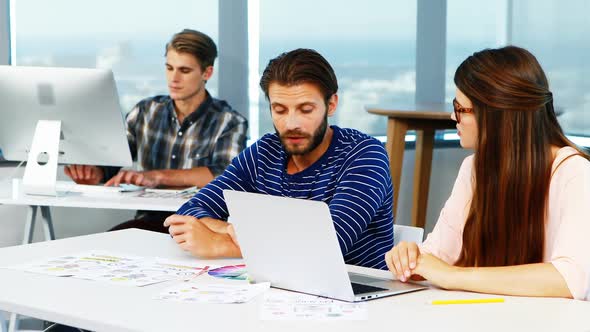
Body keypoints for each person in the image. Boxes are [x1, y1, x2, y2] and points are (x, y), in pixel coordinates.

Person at [385, 46, 590, 300]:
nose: (453, 116)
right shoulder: (473, 168)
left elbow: (569, 280)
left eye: (461, 108)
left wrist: (452, 276)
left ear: (496, 114)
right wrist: (411, 260)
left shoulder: (574, 172)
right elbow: (437, 256)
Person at [165, 48, 394, 269]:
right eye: (280, 110)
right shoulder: (265, 152)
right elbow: (191, 210)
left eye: (305, 110)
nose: (291, 123)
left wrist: (222, 243)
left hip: (358, 294)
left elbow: (326, 247)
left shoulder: (365, 155)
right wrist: (232, 230)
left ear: (331, 104)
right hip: (282, 291)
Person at [64, 29, 248, 233]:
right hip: (149, 222)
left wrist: (157, 176)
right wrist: (95, 173)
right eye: (169, 68)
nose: (174, 78)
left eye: (184, 71)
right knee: (106, 244)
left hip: (201, 226)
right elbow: (115, 160)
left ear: (207, 73)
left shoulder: (229, 122)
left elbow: (224, 176)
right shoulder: (145, 111)